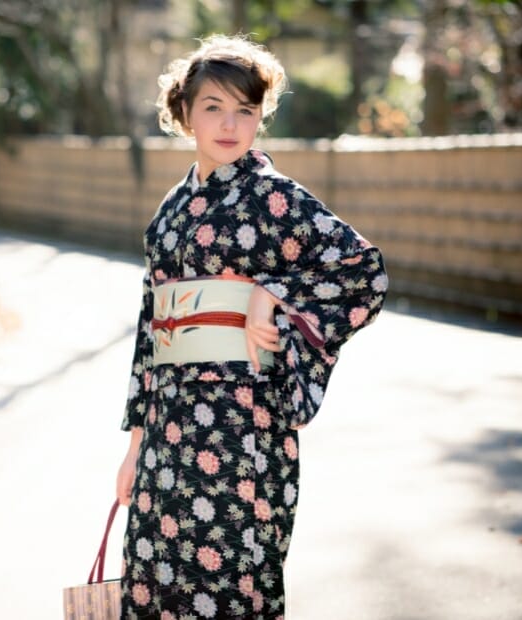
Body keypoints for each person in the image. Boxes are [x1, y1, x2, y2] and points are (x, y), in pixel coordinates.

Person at [115, 34, 388, 619]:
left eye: (246, 110)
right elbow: (150, 332)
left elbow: (364, 271)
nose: (230, 124)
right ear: (183, 112)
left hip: (243, 425)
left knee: (233, 577)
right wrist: (135, 446)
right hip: (169, 431)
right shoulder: (170, 212)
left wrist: (272, 294)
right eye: (213, 106)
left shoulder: (276, 199)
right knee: (155, 577)